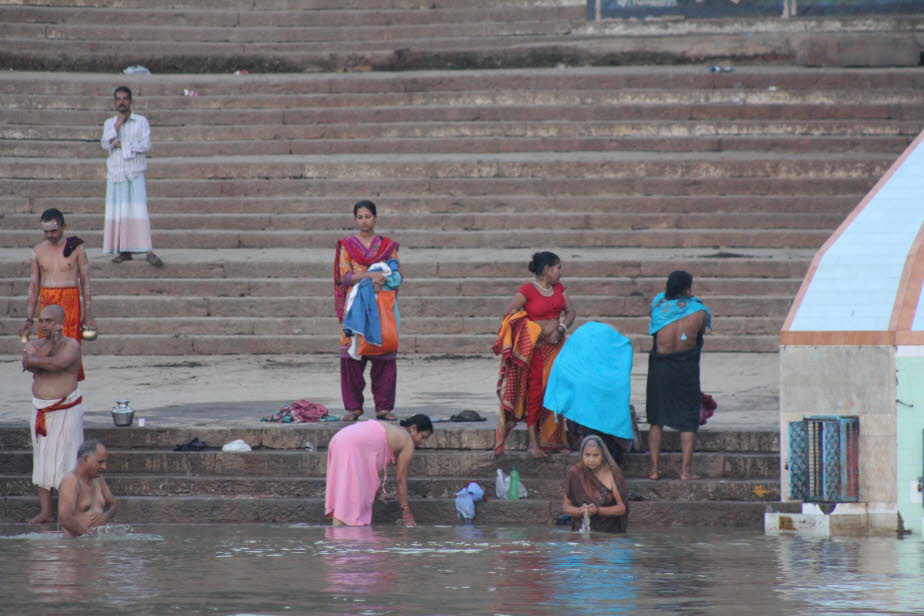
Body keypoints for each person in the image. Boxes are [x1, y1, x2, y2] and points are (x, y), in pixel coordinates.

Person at [494, 251, 575, 458]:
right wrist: (530, 331)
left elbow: (570, 312)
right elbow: (509, 315)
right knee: (536, 394)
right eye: (558, 268)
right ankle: (533, 443)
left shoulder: (559, 289)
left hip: (556, 348)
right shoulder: (527, 290)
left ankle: (555, 440)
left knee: (557, 391)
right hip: (536, 350)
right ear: (547, 269)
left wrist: (561, 329)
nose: (560, 272)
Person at [334, 200, 400, 421]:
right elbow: (344, 277)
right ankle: (353, 407)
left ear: (375, 218)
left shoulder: (387, 246)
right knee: (351, 357)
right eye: (360, 217)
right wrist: (368, 277)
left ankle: (383, 407)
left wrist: (383, 282)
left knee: (384, 355)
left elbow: (397, 275)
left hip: (381, 305)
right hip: (355, 306)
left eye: (368, 216)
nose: (364, 221)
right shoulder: (347, 246)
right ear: (355, 220)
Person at [21, 304, 84, 524]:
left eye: (49, 321)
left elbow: (59, 364)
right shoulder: (35, 344)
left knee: (67, 460)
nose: (44, 325)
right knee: (42, 461)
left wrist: (38, 359)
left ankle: (68, 513)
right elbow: (27, 363)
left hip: (65, 411)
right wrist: (47, 346)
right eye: (41, 321)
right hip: (40, 411)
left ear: (60, 323)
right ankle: (46, 512)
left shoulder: (72, 345)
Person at [646, 270, 711, 481]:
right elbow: (699, 335)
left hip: (660, 369)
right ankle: (685, 471)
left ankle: (654, 470)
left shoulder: (657, 308)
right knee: (688, 420)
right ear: (687, 289)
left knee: (656, 419)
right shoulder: (700, 312)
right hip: (686, 369)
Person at [543, 321, 635, 466]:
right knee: (610, 453)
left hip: (585, 418)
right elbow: (625, 350)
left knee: (590, 450)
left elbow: (561, 365)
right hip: (608, 420)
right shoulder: (612, 364)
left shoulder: (579, 348)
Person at [18, 208, 95, 382]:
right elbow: (33, 286)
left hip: (70, 302)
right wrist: (29, 319)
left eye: (53, 231)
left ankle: (68, 392)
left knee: (69, 348)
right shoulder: (37, 251)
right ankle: (47, 389)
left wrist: (88, 315)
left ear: (63, 227)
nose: (50, 235)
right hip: (47, 302)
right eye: (46, 232)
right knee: (47, 347)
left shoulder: (76, 247)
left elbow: (85, 282)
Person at [325, 414, 433, 527]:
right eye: (423, 437)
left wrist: (376, 493)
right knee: (350, 495)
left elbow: (370, 464)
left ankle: (337, 539)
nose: (423, 442)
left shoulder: (394, 431)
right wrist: (406, 513)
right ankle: (340, 538)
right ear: (413, 428)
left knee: (344, 490)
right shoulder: (407, 442)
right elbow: (400, 480)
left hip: (339, 438)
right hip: (351, 444)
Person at [101, 85, 162, 266]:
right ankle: (124, 250)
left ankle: (148, 251)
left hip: (134, 172)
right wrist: (117, 124)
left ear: (130, 101)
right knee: (119, 213)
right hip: (116, 173)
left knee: (139, 212)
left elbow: (145, 145)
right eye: (118, 99)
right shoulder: (109, 123)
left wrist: (122, 146)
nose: (121, 102)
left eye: (124, 99)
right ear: (114, 102)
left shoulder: (141, 121)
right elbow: (106, 144)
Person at [561, 435, 628, 533]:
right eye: (587, 455)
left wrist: (598, 510)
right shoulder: (575, 473)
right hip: (581, 531)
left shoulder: (612, 474)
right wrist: (581, 511)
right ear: (582, 455)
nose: (591, 459)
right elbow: (566, 507)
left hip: (609, 532)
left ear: (603, 456)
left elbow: (622, 508)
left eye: (596, 455)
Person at [57, 439, 117, 538]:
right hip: (76, 548)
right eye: (100, 462)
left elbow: (114, 503)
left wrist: (106, 516)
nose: (104, 467)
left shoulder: (98, 479)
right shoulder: (71, 481)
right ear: (86, 459)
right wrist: (87, 538)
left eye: (105, 462)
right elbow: (64, 519)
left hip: (96, 547)